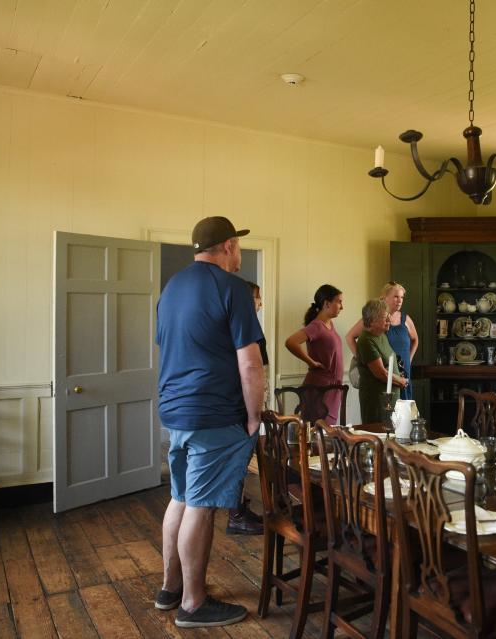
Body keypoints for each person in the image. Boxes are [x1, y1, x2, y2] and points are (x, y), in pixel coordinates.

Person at [156, 216, 264, 628]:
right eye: (237, 247)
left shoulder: (172, 288)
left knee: (181, 498)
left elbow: (168, 349)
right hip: (214, 413)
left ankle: (170, 589)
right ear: (229, 246)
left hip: (175, 410)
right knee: (201, 506)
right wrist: (254, 417)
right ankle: (194, 603)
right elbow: (250, 364)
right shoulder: (233, 289)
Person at [225, 281, 267, 536]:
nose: (259, 302)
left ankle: (241, 508)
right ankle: (236, 514)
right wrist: (254, 411)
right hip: (243, 401)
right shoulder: (239, 326)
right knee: (239, 461)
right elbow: (249, 368)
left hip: (253, 397)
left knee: (244, 459)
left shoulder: (250, 326)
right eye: (256, 297)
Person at [284, 285, 345, 423]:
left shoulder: (330, 325)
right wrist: (310, 361)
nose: (342, 307)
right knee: (317, 434)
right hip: (320, 389)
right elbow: (291, 342)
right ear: (327, 303)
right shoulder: (317, 326)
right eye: (339, 301)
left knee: (325, 434)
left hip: (331, 388)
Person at [346, 282, 418, 399]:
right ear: (384, 297)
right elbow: (350, 337)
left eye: (402, 297)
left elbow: (415, 340)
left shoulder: (406, 319)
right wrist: (362, 360)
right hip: (384, 374)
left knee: (404, 411)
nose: (399, 300)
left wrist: (409, 360)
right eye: (396, 297)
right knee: (386, 408)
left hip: (403, 373)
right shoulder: (375, 320)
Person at [355, 299, 408, 423]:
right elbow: (381, 373)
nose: (389, 320)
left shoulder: (381, 335)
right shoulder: (366, 340)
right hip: (377, 402)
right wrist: (401, 381)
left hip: (390, 399)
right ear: (372, 320)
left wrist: (398, 376)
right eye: (385, 318)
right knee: (379, 437)